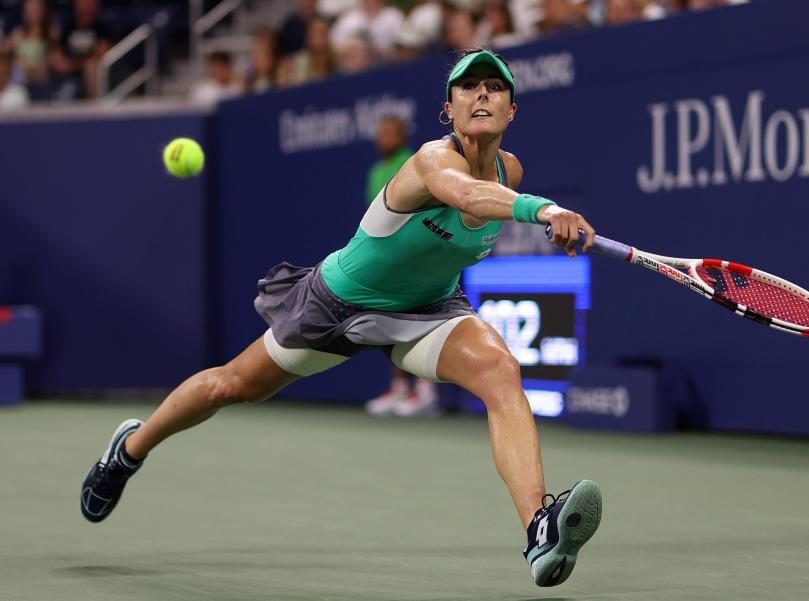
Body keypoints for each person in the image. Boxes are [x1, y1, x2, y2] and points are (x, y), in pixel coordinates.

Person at [79, 48, 602, 588]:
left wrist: (532, 206)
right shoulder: (430, 161)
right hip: (338, 303)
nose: (483, 94)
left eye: (496, 86)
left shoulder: (509, 171)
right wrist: (544, 210)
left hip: (429, 308)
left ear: (512, 109)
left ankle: (539, 530)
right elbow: (467, 196)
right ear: (449, 107)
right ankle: (129, 450)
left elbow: (481, 202)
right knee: (233, 387)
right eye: (470, 87)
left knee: (500, 370)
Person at [362, 115, 441, 417]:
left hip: (417, 255)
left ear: (401, 136)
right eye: (379, 132)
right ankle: (399, 389)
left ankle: (426, 391)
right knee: (389, 323)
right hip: (388, 258)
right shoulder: (375, 171)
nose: (382, 138)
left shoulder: (413, 163)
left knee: (420, 320)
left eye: (389, 133)